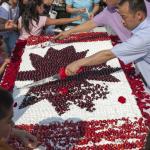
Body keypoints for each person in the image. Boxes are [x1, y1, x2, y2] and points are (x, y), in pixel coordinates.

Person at [64, 0, 150, 89]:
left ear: (139, 15)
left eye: (124, 17)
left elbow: (108, 54)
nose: (122, 22)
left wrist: (77, 63)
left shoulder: (143, 38)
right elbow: (92, 23)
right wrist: (70, 31)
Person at [55, 0, 150, 42]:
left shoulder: (144, 5)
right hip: (131, 53)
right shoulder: (108, 11)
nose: (103, 0)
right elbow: (91, 23)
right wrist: (69, 32)